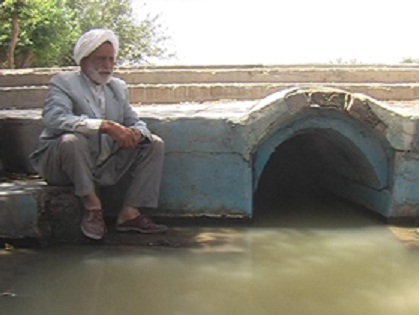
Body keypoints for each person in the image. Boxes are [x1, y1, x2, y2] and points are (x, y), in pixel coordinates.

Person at [29, 29, 167, 240]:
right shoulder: (64, 83)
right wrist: (103, 125)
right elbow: (54, 119)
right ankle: (92, 206)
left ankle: (130, 214)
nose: (108, 65)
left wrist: (137, 133)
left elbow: (134, 120)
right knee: (71, 140)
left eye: (111, 59)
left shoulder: (117, 87)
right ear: (84, 60)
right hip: (62, 164)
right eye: (101, 59)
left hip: (101, 164)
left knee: (153, 143)